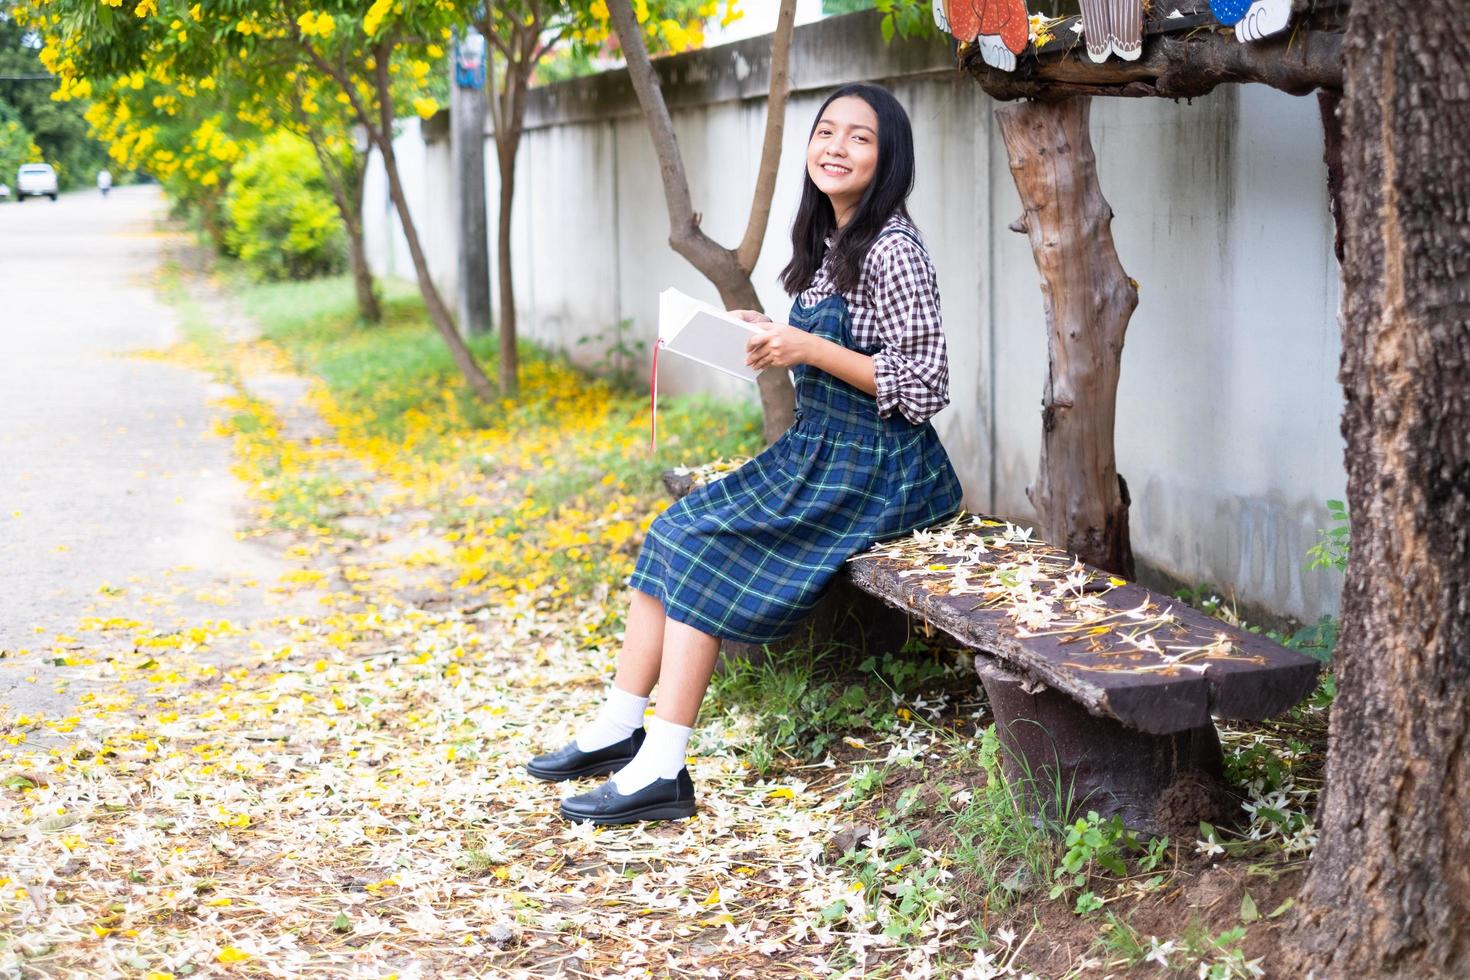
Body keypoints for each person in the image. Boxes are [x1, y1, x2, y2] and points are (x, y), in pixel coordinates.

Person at [527, 83, 964, 826]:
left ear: (889, 158)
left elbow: (925, 386)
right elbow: (834, 350)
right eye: (826, 131)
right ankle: (620, 726)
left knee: (701, 546)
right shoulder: (833, 238)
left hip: (884, 468)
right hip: (822, 452)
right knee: (673, 532)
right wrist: (766, 333)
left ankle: (662, 768)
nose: (836, 146)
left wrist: (809, 347)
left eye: (860, 137)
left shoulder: (893, 249)